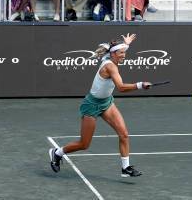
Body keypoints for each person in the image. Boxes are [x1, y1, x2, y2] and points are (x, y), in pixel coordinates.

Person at [49, 34, 151, 178]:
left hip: (106, 102)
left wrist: (126, 44)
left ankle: (126, 167)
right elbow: (121, 87)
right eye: (121, 53)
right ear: (113, 53)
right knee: (84, 144)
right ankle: (57, 152)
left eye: (125, 52)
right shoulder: (110, 67)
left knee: (124, 134)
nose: (124, 55)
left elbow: (119, 48)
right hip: (91, 105)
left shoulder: (111, 56)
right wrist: (140, 85)